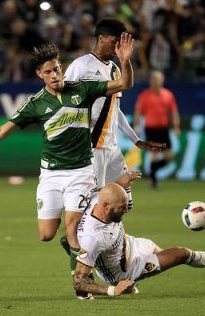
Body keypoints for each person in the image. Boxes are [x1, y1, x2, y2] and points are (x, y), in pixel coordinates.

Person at [0, 38, 135, 299]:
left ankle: (81, 284)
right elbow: (0, 131)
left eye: (57, 69)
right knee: (45, 234)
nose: (54, 75)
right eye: (48, 71)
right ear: (39, 74)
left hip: (80, 172)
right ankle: (74, 248)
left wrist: (124, 61)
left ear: (62, 68)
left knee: (73, 225)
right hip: (51, 175)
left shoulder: (83, 90)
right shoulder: (35, 104)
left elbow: (124, 84)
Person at [73, 183, 205, 297]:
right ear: (105, 206)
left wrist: (125, 181)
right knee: (181, 253)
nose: (127, 210)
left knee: (158, 250)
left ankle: (135, 283)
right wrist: (113, 290)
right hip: (123, 270)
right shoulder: (93, 238)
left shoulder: (97, 198)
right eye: (122, 207)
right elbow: (79, 282)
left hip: (128, 244)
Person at [64, 18, 165, 210]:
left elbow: (115, 110)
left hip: (111, 148)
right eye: (115, 41)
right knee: (93, 206)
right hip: (90, 148)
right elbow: (62, 102)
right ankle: (77, 239)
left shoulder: (115, 69)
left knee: (123, 205)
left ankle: (113, 239)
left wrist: (136, 140)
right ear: (101, 38)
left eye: (122, 42)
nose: (119, 46)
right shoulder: (81, 66)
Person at [133, 71, 181, 189]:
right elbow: (138, 113)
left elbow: (173, 112)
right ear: (150, 81)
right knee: (154, 156)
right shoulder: (144, 95)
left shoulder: (168, 95)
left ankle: (152, 173)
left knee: (169, 156)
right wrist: (136, 126)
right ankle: (154, 182)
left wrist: (176, 126)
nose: (156, 81)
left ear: (162, 81)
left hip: (163, 130)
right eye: (154, 79)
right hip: (151, 129)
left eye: (158, 79)